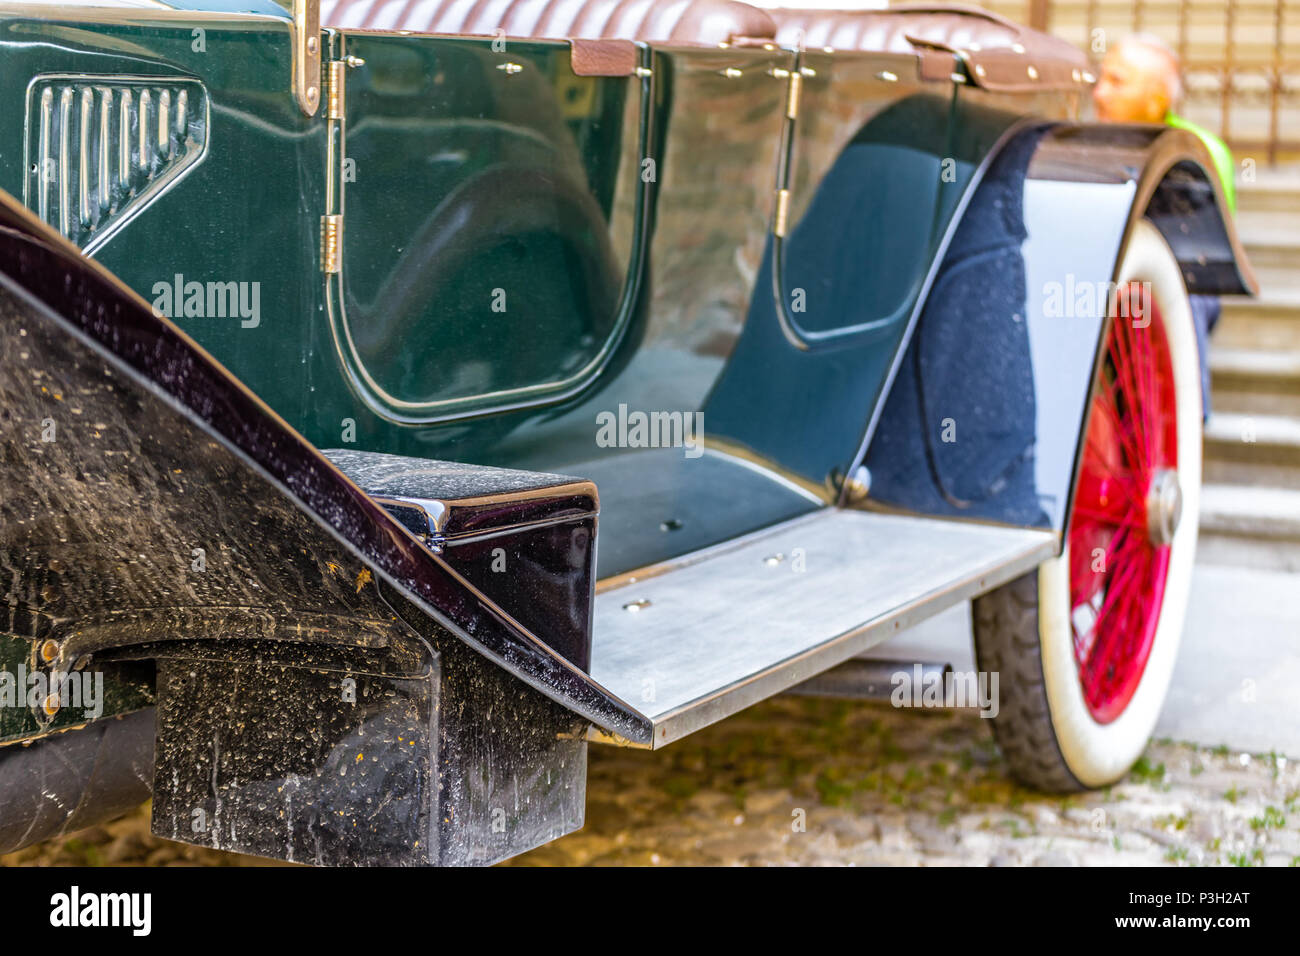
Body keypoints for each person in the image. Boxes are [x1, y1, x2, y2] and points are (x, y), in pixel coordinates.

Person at [1093, 34, 1234, 416]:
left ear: (1157, 100)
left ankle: (1184, 419)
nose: (1099, 94)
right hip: (1106, 280)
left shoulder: (1198, 149)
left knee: (1182, 295)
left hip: (1176, 283)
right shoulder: (1089, 144)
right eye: (1100, 78)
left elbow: (1200, 251)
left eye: (1117, 82)